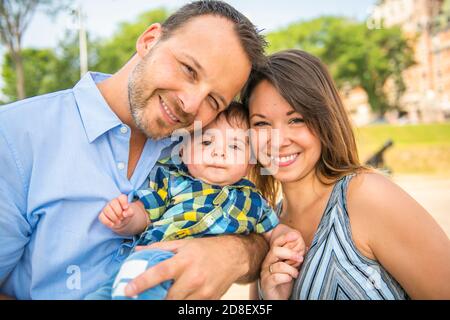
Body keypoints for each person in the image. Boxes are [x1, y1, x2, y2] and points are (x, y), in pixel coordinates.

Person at [0, 1, 274, 299]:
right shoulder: (15, 135)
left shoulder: (199, 146)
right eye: (189, 70)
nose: (191, 104)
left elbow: (256, 231)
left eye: (214, 101)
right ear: (149, 40)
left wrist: (233, 253)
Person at [241, 49, 450, 299]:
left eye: (296, 119)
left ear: (324, 120)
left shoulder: (366, 197)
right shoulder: (267, 227)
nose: (278, 141)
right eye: (262, 123)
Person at [85, 102, 305, 299]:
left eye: (235, 146)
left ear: (250, 162)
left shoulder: (251, 199)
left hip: (193, 277)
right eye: (207, 142)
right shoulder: (172, 180)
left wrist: (286, 236)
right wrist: (126, 217)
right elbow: (144, 214)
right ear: (183, 151)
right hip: (154, 255)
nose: (219, 153)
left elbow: (272, 230)